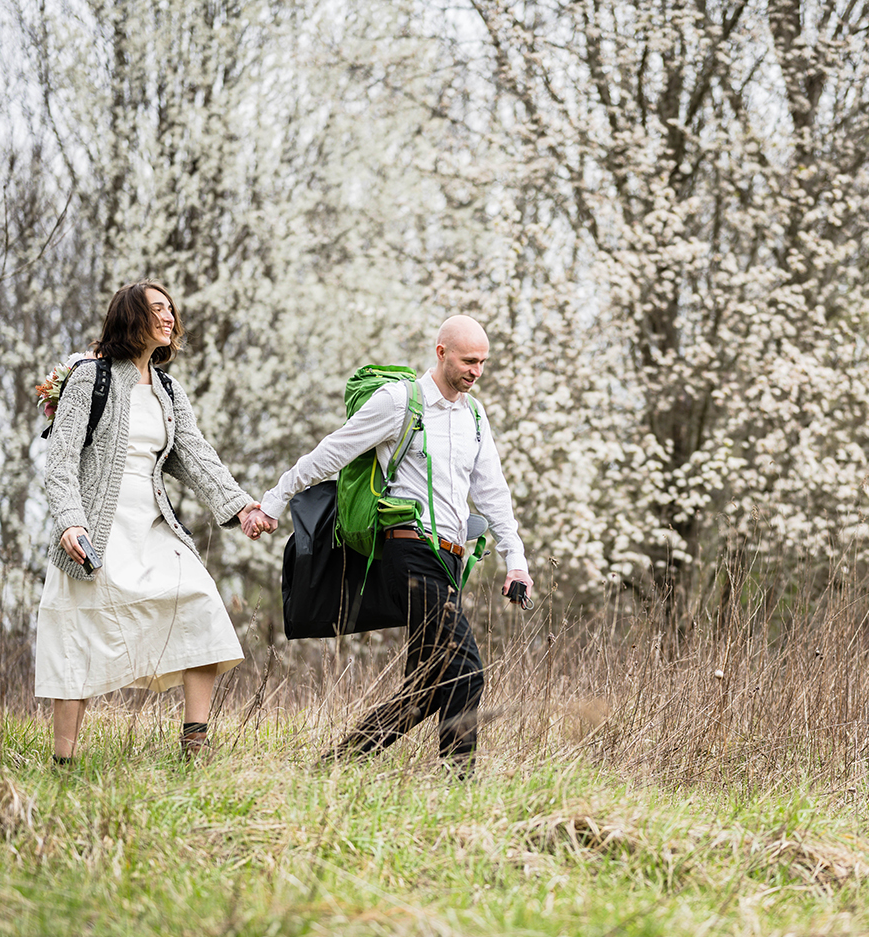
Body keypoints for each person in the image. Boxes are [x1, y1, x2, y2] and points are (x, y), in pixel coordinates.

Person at [248, 315, 532, 773]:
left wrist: (515, 561)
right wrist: (274, 501)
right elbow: (332, 452)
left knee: (424, 689)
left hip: (450, 559)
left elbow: (494, 493)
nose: (477, 370)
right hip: (409, 548)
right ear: (441, 353)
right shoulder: (399, 403)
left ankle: (332, 767)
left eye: (483, 362)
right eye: (468, 360)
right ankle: (456, 784)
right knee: (469, 671)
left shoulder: (474, 416)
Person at [36, 281, 272, 764]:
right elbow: (60, 460)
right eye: (156, 309)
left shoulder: (167, 388)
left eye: (170, 310)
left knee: (202, 605)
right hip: (95, 529)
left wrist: (242, 506)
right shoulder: (89, 378)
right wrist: (69, 522)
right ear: (131, 318)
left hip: (154, 523)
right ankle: (63, 762)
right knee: (76, 639)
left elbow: (195, 456)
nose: (168, 318)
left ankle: (193, 749)